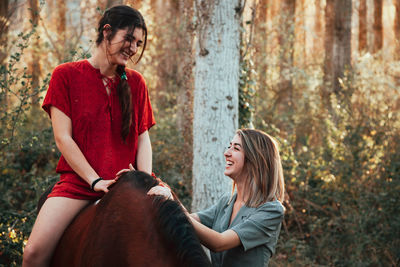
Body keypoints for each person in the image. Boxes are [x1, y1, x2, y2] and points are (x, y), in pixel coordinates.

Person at [23, 5, 155, 266]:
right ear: (107, 32)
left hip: (129, 185)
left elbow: (142, 138)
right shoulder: (65, 75)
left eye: (138, 43)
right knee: (32, 255)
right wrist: (95, 181)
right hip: (79, 185)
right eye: (129, 39)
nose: (133, 48)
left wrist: (144, 181)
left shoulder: (137, 82)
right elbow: (63, 138)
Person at [148, 129, 286, 267]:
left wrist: (171, 201)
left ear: (255, 160)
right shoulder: (226, 202)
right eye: (229, 146)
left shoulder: (271, 210)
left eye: (236, 148)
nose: (227, 153)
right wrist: (149, 186)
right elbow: (185, 219)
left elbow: (219, 243)